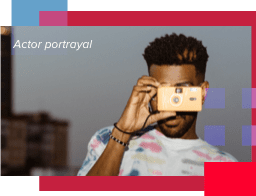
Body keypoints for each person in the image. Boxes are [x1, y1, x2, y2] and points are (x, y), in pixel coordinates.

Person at [77, 33, 237, 176]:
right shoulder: (108, 140)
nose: (170, 103)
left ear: (203, 92)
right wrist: (122, 132)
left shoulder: (226, 166)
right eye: (161, 91)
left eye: (180, 90)